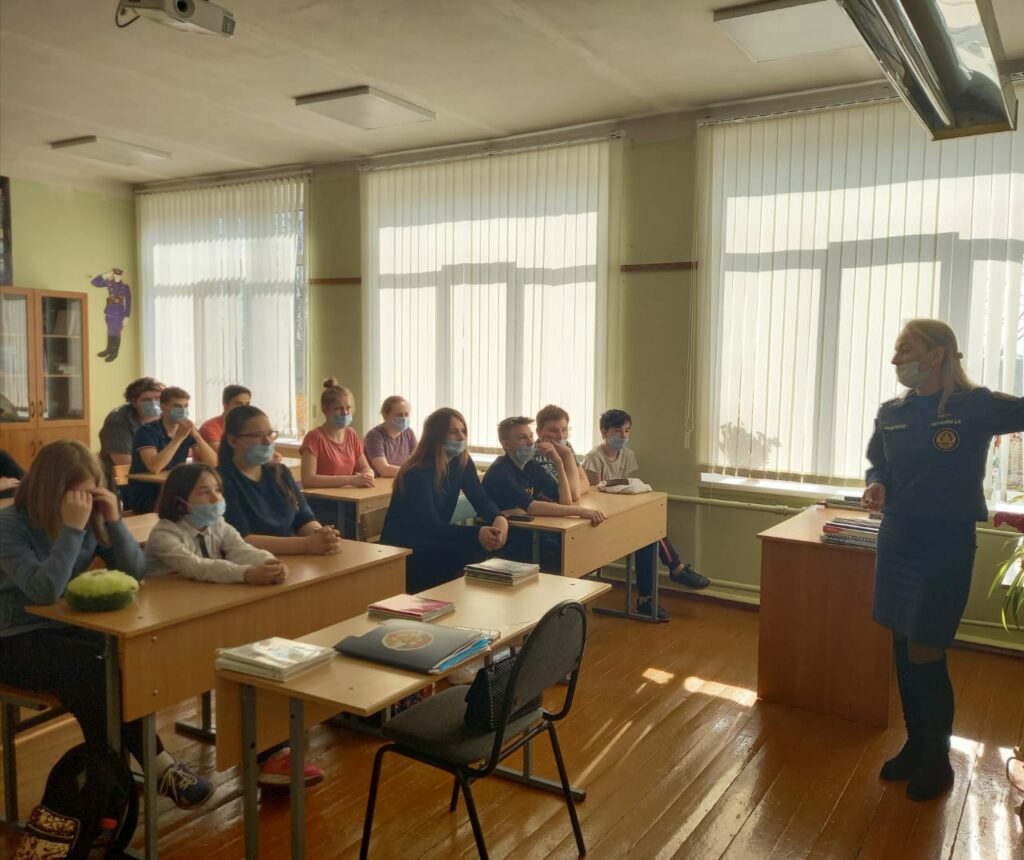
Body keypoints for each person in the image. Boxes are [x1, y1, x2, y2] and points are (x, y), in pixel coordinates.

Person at [0, 441, 213, 809]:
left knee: (125, 661)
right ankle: (146, 770)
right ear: (51, 489)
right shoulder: (10, 525)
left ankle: (109, 779)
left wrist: (113, 521)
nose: (85, 502)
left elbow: (135, 572)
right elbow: (44, 591)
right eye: (77, 494)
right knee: (94, 673)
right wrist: (71, 530)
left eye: (91, 492)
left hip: (65, 627)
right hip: (13, 636)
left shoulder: (87, 518)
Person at [863, 318, 1024, 802]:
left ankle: (937, 758)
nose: (895, 360)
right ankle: (916, 744)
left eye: (904, 349)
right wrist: (877, 484)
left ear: (935, 356)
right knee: (901, 640)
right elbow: (879, 464)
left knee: (926, 648)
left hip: (944, 543)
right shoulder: (892, 412)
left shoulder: (975, 406)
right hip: (898, 537)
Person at [582, 409, 710, 619]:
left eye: (627, 431)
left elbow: (627, 487)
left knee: (648, 535)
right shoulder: (593, 458)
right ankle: (674, 570)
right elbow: (594, 495)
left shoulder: (628, 455)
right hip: (601, 518)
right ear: (604, 432)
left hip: (620, 513)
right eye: (617, 431)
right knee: (648, 532)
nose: (623, 435)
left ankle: (647, 599)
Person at [380, 407, 509, 593]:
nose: (461, 437)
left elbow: (481, 500)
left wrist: (499, 518)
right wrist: (477, 533)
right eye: (453, 432)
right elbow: (430, 526)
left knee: (494, 545)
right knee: (473, 548)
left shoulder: (461, 462)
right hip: (408, 548)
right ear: (436, 436)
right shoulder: (417, 473)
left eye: (463, 431)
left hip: (434, 540)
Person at [482, 416, 606, 572]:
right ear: (506, 444)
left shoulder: (531, 466)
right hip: (505, 538)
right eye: (522, 438)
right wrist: (581, 511)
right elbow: (532, 507)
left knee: (573, 544)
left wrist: (558, 462)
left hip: (528, 531)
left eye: (531, 436)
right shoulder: (500, 471)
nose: (530, 442)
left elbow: (565, 500)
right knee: (559, 550)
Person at [219, 405, 344, 557]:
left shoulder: (280, 472)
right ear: (233, 441)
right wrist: (306, 544)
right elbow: (242, 539)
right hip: (254, 562)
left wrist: (322, 535)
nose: (267, 441)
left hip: (293, 558)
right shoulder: (221, 480)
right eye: (257, 435)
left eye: (270, 434)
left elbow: (303, 517)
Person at [145, 463, 288, 585]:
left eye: (218, 489)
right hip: (169, 598)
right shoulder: (164, 534)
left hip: (203, 591)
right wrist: (247, 574)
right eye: (204, 492)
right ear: (179, 501)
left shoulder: (217, 524)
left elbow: (240, 549)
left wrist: (270, 563)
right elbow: (196, 567)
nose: (216, 498)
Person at [121, 386, 218, 514]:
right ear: (163, 407)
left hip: (173, 490)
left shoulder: (185, 431)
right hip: (146, 493)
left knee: (204, 502)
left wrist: (196, 435)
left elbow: (213, 463)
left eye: (186, 406)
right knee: (189, 507)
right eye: (177, 406)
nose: (182, 410)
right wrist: (178, 438)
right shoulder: (147, 431)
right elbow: (155, 467)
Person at [97, 376, 164, 485]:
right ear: (134, 402)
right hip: (123, 480)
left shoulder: (168, 416)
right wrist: (159, 463)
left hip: (158, 474)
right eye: (146, 400)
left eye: (158, 398)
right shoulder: (117, 422)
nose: (153, 403)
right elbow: (125, 463)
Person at [534, 404, 589, 500]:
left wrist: (574, 490)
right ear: (539, 432)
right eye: (554, 431)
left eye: (564, 430)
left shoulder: (566, 446)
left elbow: (585, 482)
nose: (561, 436)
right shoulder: (535, 455)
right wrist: (567, 455)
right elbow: (573, 494)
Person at [364, 395, 417, 477]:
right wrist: (413, 471)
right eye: (399, 415)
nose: (404, 418)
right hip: (378, 482)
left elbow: (418, 460)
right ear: (385, 416)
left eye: (406, 414)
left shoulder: (408, 432)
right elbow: (384, 470)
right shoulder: (374, 435)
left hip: (400, 479)